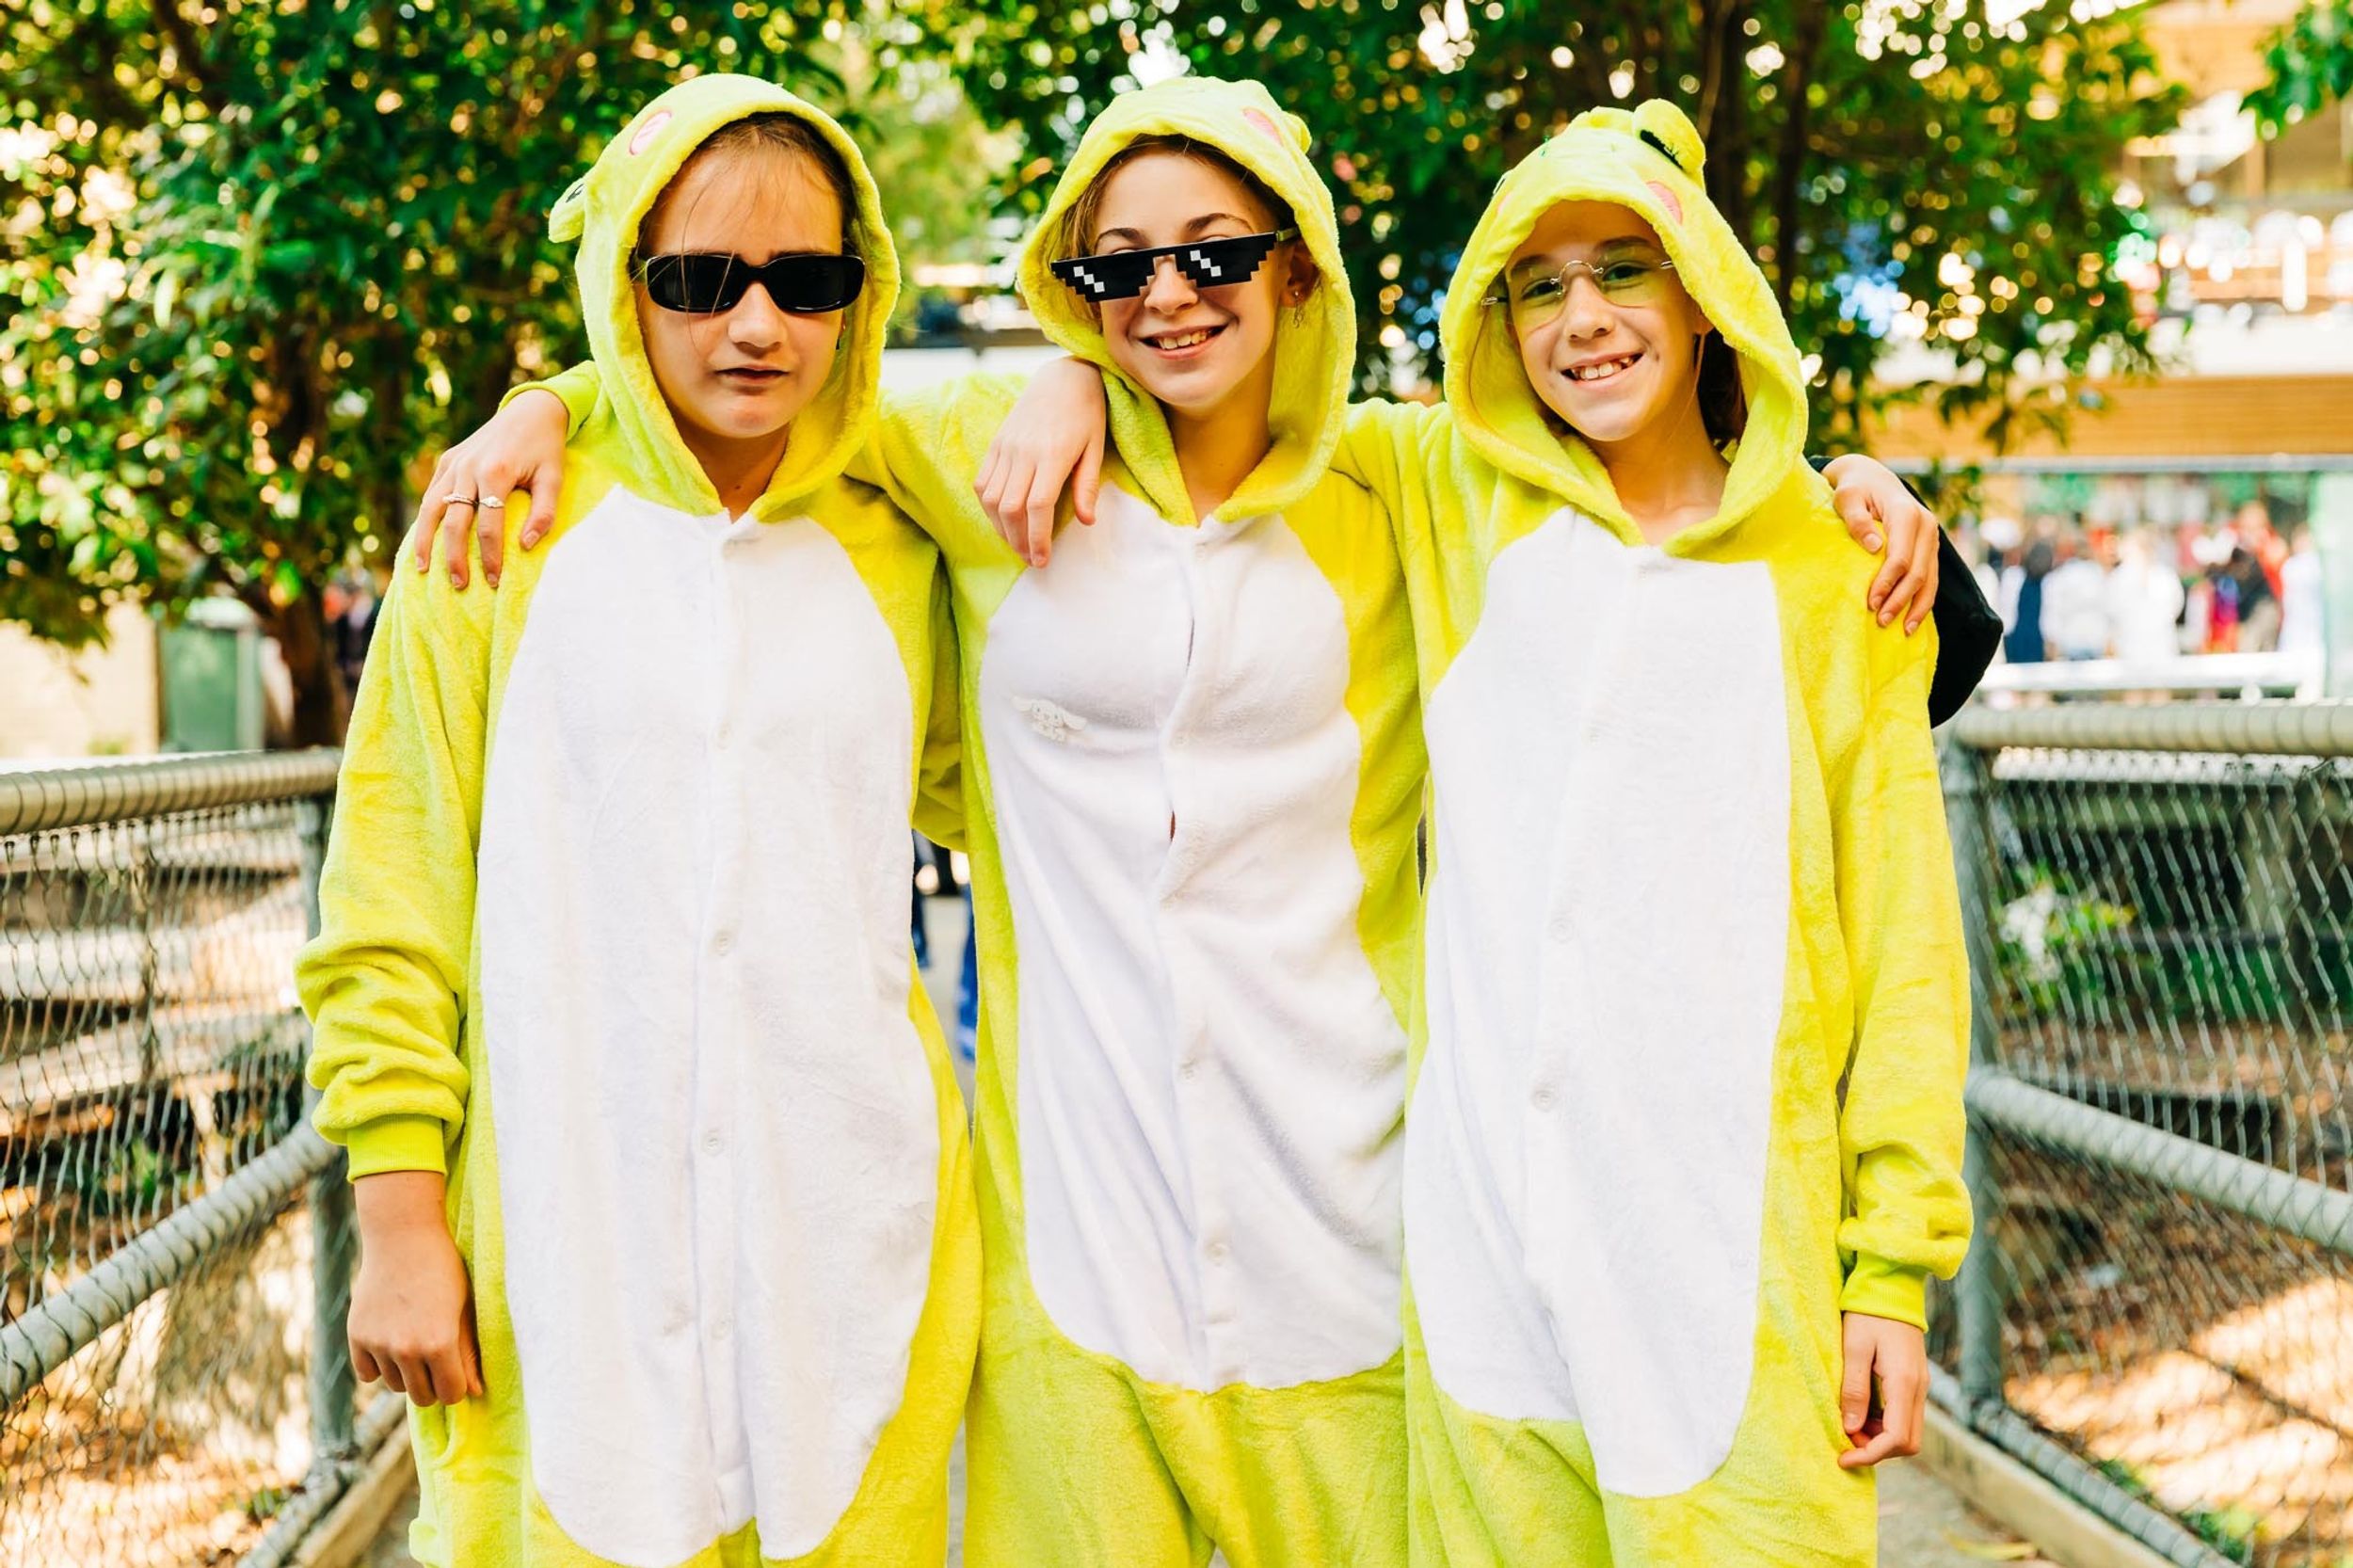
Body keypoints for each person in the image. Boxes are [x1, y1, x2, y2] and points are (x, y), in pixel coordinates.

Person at [409, 78, 1975, 1568]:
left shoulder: (1405, 482)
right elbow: (755, 371)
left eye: (1219, 252)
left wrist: (1846, 481)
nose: (1172, 294)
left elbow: (1772, 615)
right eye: (1120, 267)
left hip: (1370, 1245)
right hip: (1075, 1263)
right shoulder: (978, 461)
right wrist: (549, 405)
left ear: (1296, 268)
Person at [977, 98, 1972, 1567]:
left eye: (1623, 270)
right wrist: (1073, 371)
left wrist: (1891, 1267)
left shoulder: (1836, 573)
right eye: (1538, 284)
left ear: (1706, 293)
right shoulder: (1443, 495)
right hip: (1480, 1280)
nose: (1585, 319)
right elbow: (1229, 379)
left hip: (1728, 1265)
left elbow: (1906, 943)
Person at [296, 77, 978, 1568]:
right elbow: (391, 885)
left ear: (860, 292)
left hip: (846, 1245)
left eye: (807, 281)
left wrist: (1069, 388)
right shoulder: (497, 525)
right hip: (566, 1247)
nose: (757, 324)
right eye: (699, 280)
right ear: (628, 283)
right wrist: (398, 1212)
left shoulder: (905, 535)